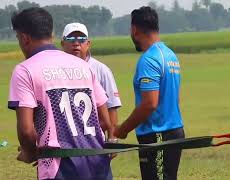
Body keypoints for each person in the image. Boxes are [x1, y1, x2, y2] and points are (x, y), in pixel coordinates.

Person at [8, 7, 114, 180]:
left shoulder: (25, 70)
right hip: (98, 164)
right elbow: (105, 121)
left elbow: (27, 131)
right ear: (52, 34)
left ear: (24, 38)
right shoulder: (83, 66)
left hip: (61, 169)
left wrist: (30, 152)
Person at [114, 6, 185, 180]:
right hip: (172, 131)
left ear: (135, 29)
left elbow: (149, 104)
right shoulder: (170, 56)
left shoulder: (149, 60)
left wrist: (122, 129)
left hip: (158, 135)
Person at [61, 22, 121, 141]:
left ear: (88, 44)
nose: (76, 43)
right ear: (63, 43)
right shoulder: (55, 70)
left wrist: (112, 138)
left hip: (95, 140)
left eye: (81, 39)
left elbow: (112, 106)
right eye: (71, 38)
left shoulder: (101, 70)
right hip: (65, 139)